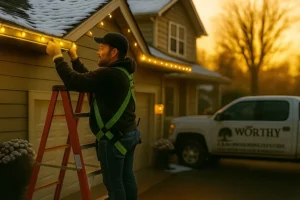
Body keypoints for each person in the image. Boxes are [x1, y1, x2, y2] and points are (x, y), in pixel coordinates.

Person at [46, 32, 141, 200]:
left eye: (101, 48)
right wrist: (74, 59)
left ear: (113, 52)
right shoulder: (121, 72)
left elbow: (75, 81)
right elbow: (91, 81)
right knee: (126, 178)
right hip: (128, 134)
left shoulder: (110, 74)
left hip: (115, 139)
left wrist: (57, 56)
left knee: (114, 184)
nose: (98, 52)